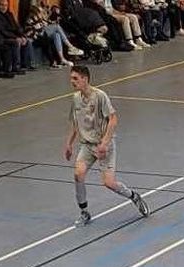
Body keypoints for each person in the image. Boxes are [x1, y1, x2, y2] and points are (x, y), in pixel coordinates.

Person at [63, 66, 149, 226]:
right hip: (87, 146)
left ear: (85, 79)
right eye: (71, 78)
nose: (72, 82)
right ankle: (84, 212)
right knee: (78, 174)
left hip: (104, 146)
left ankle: (133, 196)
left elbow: (113, 119)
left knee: (109, 183)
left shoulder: (100, 96)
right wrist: (69, 143)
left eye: (75, 78)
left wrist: (104, 143)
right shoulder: (75, 99)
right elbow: (75, 124)